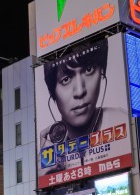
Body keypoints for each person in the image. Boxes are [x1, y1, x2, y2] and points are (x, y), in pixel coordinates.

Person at [38, 41, 128, 171]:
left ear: (101, 72)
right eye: (66, 79)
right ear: (53, 93)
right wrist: (44, 174)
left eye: (89, 69)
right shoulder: (49, 149)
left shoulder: (123, 122)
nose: (80, 91)